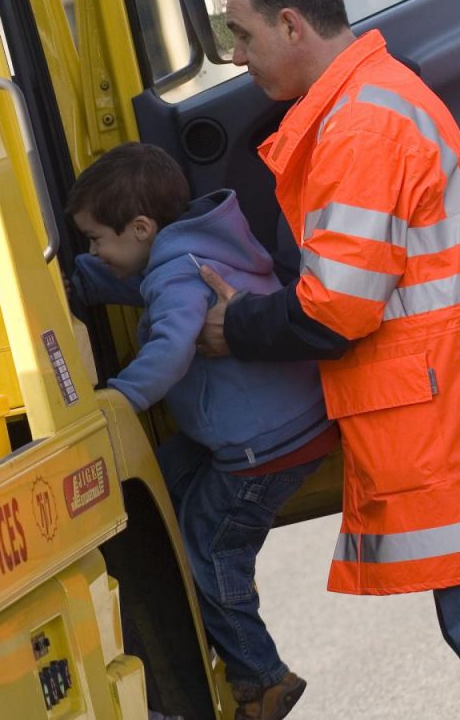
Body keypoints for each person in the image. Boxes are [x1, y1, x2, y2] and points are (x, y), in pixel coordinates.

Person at [193, 0, 460, 718]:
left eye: (242, 35)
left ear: (291, 23)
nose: (236, 56)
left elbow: (336, 308)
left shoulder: (360, 127)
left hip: (449, 427)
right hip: (458, 413)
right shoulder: (373, 100)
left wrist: (235, 325)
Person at [67, 142, 335, 720]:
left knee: (210, 547)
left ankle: (262, 678)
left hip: (262, 444)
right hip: (278, 418)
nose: (94, 250)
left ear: (141, 228)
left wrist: (119, 400)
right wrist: (77, 281)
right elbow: (134, 280)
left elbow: (170, 348)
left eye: (96, 240)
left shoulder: (175, 278)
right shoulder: (200, 246)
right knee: (163, 479)